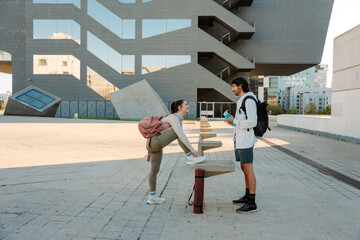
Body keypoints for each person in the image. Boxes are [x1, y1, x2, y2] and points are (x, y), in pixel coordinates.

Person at [146, 100, 206, 205]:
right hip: (155, 142)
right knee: (179, 133)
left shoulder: (177, 119)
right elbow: (181, 136)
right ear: (179, 107)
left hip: (153, 143)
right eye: (186, 104)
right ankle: (189, 157)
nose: (188, 106)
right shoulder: (173, 118)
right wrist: (192, 150)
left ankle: (152, 197)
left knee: (154, 170)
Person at [225, 77, 258, 213]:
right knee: (244, 168)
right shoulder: (242, 100)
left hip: (246, 140)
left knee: (248, 169)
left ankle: (252, 202)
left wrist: (235, 121)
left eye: (233, 86)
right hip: (240, 140)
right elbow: (242, 120)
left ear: (240, 86)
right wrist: (232, 121)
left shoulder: (249, 100)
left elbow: (252, 122)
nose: (232, 89)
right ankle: (247, 195)